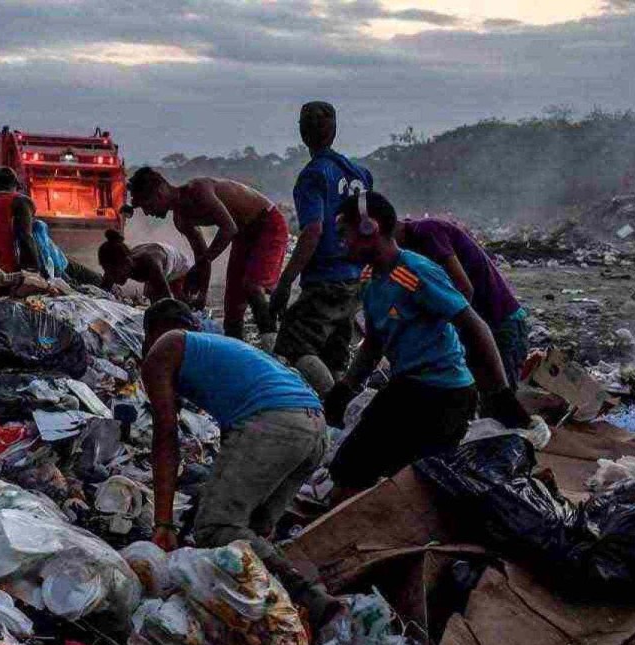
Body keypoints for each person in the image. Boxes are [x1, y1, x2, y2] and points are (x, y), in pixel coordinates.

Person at [141, 298, 338, 626]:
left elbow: (166, 436)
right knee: (249, 535)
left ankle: (310, 598)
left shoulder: (165, 347)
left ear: (151, 334)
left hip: (277, 423)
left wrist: (163, 524)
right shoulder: (219, 346)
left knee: (216, 527)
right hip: (316, 427)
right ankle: (280, 613)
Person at [325, 191, 532, 496]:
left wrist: (499, 392)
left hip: (443, 394)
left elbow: (475, 326)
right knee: (350, 469)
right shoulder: (370, 278)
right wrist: (346, 387)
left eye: (345, 235)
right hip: (408, 387)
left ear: (370, 228)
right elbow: (374, 342)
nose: (342, 244)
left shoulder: (414, 271)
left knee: (415, 481)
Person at [270, 102, 373, 393]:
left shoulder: (313, 175)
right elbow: (367, 225)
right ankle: (339, 422)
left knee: (293, 344)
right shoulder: (360, 174)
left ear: (302, 132)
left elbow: (313, 231)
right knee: (335, 355)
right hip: (356, 277)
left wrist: (285, 281)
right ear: (335, 129)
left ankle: (337, 407)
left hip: (326, 278)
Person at [125, 167, 288, 342]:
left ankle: (271, 345)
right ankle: (236, 351)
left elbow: (228, 228)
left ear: (159, 192)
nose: (149, 212)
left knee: (252, 286)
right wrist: (202, 295)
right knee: (232, 307)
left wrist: (203, 262)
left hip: (267, 223)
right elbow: (201, 254)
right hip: (243, 234)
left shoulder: (198, 190)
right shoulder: (181, 220)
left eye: (147, 205)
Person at [395, 216, 528, 388]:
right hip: (482, 327)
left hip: (500, 323)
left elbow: (464, 288)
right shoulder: (411, 245)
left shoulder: (427, 232)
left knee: (497, 400)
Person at [98, 230, 193, 303]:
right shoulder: (117, 266)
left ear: (127, 262)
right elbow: (102, 291)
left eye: (114, 273)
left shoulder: (151, 265)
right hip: (156, 262)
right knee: (149, 297)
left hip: (180, 270)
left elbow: (167, 303)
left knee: (178, 304)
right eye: (108, 272)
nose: (112, 278)